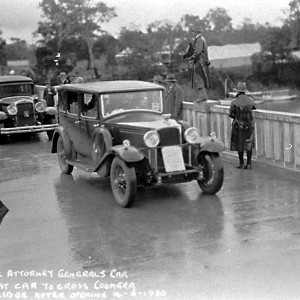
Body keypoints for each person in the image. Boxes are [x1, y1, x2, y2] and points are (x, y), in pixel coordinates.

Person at [229, 82, 256, 169]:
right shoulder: (251, 100)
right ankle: (249, 163)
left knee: (239, 143)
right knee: (249, 143)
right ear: (245, 91)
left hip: (238, 125)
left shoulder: (234, 101)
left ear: (237, 91)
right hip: (249, 124)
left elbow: (231, 114)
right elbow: (254, 107)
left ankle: (241, 163)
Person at [182, 29, 211, 102]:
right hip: (201, 62)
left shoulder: (199, 40)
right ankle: (203, 96)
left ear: (196, 32)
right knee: (199, 79)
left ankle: (202, 96)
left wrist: (190, 57)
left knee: (198, 79)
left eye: (193, 32)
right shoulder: (201, 39)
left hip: (199, 63)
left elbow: (198, 52)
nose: (192, 33)